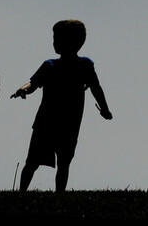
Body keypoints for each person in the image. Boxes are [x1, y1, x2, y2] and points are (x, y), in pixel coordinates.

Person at [11, 19, 112, 192]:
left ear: (76, 42)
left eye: (59, 39)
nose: (55, 43)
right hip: (46, 122)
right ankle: (21, 193)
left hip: (69, 123)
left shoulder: (85, 65)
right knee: (32, 162)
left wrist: (104, 108)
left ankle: (59, 196)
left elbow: (96, 87)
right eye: (55, 38)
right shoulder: (49, 65)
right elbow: (33, 83)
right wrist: (23, 89)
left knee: (63, 163)